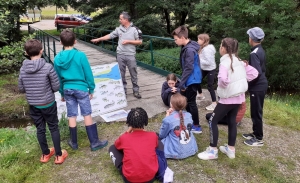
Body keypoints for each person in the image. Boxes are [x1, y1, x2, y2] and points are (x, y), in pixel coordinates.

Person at [198, 38, 258, 160]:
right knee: (232, 121)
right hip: (238, 98)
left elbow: (223, 81)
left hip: (227, 99)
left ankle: (212, 151)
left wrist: (227, 85)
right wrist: (240, 81)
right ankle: (230, 149)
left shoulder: (224, 63)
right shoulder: (240, 62)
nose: (220, 47)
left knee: (212, 121)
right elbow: (254, 73)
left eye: (221, 45)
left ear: (224, 48)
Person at [54, 30, 108, 151]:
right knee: (86, 113)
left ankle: (74, 142)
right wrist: (91, 88)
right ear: (75, 41)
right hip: (81, 88)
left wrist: (62, 92)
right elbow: (88, 73)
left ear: (61, 42)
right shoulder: (80, 55)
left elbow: (58, 78)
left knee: (71, 115)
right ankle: (94, 142)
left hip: (67, 89)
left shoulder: (57, 58)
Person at [18, 39, 68, 164]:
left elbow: (21, 88)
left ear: (26, 52)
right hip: (48, 103)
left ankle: (45, 154)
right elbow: (56, 87)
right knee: (53, 128)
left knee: (40, 129)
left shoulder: (23, 69)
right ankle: (58, 155)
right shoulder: (47, 67)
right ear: (42, 51)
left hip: (34, 104)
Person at [90, 11, 142, 99]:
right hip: (120, 55)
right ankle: (123, 91)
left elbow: (140, 42)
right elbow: (109, 36)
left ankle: (136, 91)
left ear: (126, 19)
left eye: (121, 19)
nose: (119, 20)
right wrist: (98, 39)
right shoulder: (119, 29)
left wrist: (129, 41)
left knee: (133, 73)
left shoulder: (135, 29)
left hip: (130, 55)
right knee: (121, 74)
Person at [108, 107, 164, 183]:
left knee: (112, 148)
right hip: (151, 177)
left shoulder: (124, 137)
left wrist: (128, 131)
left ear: (129, 122)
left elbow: (117, 145)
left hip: (130, 179)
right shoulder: (153, 135)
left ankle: (123, 166)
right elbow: (155, 145)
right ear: (145, 121)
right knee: (159, 143)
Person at [171, 25, 202, 133]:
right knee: (188, 101)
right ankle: (190, 121)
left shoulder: (189, 50)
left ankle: (196, 126)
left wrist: (181, 84)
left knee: (191, 102)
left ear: (183, 38)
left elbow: (188, 68)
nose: (175, 41)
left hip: (192, 79)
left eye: (176, 39)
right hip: (192, 78)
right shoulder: (189, 46)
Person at [243, 27, 268, 147]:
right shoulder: (259, 50)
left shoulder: (254, 53)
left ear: (251, 38)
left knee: (256, 112)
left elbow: (256, 73)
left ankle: (258, 138)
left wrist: (248, 83)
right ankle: (255, 132)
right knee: (255, 110)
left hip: (258, 87)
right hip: (261, 85)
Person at [159, 93, 198, 159]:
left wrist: (167, 116)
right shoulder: (189, 115)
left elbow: (162, 135)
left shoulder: (168, 119)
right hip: (191, 149)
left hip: (175, 152)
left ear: (171, 105)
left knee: (157, 140)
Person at [197, 34, 217, 111]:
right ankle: (201, 95)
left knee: (210, 85)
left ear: (203, 40)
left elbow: (208, 62)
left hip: (210, 69)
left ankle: (214, 103)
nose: (197, 41)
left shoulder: (207, 49)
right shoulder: (202, 48)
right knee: (197, 80)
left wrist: (199, 58)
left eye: (199, 39)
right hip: (204, 68)